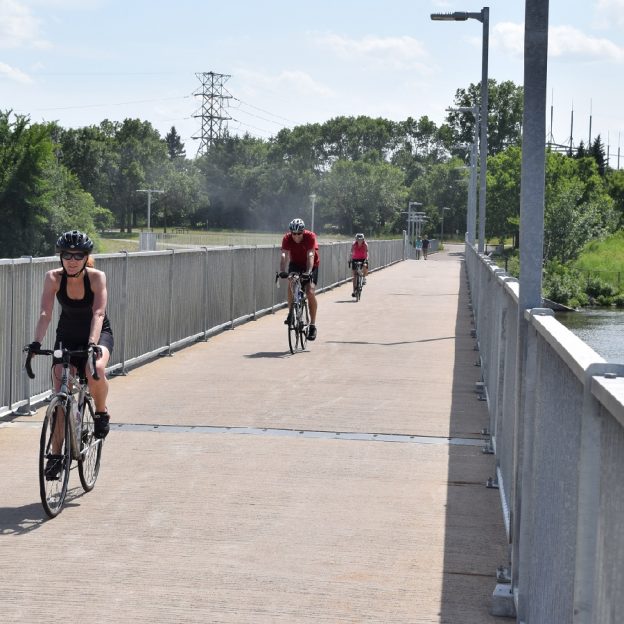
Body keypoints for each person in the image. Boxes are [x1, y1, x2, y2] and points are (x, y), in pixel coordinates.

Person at [26, 230, 114, 477]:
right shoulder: (53, 278)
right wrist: (35, 343)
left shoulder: (96, 277)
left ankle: (100, 412)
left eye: (78, 255)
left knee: (94, 369)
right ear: (60, 257)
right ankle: (55, 455)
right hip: (66, 337)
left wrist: (92, 344)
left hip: (97, 335)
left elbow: (98, 313)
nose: (72, 259)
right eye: (67, 255)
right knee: (60, 398)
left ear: (86, 257)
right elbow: (46, 313)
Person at [278, 218, 319, 340]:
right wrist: (282, 271)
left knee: (310, 291)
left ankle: (312, 325)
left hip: (310, 264)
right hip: (295, 264)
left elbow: (311, 255)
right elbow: (284, 255)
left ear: (303, 231)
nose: (296, 236)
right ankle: (291, 312)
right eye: (293, 234)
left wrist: (309, 271)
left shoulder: (310, 236)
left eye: (299, 233)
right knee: (291, 281)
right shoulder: (287, 238)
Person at [348, 233, 369, 297]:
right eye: (358, 239)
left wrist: (366, 259)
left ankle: (364, 277)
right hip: (355, 259)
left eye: (361, 239)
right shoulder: (354, 244)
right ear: (356, 239)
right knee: (354, 275)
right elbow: (351, 252)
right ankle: (354, 291)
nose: (359, 241)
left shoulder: (365, 244)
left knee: (365, 266)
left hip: (363, 258)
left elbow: (367, 252)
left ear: (363, 239)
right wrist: (350, 259)